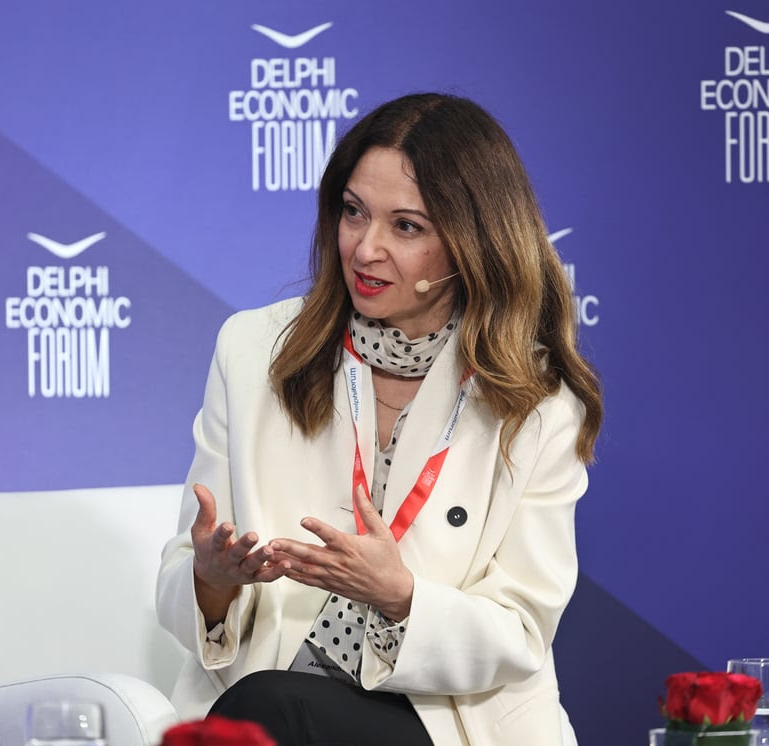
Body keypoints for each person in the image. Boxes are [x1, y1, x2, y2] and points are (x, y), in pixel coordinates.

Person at [156, 92, 603, 746]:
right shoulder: (253, 352)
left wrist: (401, 596)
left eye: (407, 227)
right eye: (354, 212)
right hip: (275, 688)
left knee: (267, 710)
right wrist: (211, 581)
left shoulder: (537, 400)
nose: (365, 248)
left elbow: (521, 630)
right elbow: (182, 582)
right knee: (264, 707)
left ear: (471, 242)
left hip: (444, 718)